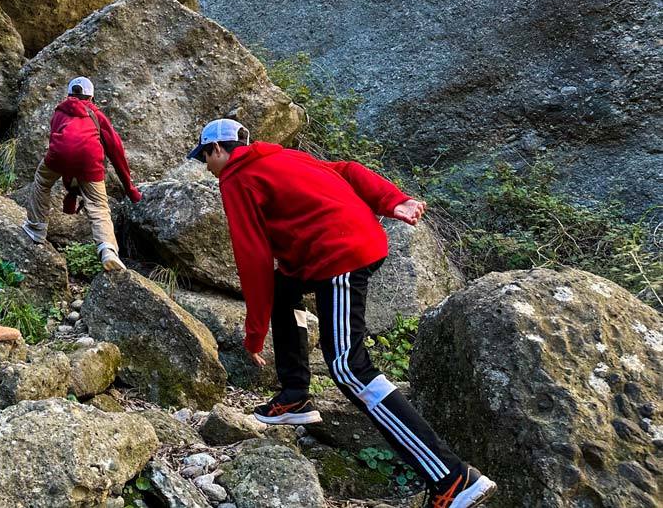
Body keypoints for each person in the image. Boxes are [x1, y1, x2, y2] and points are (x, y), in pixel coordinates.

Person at [189, 118, 497, 508]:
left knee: (349, 368)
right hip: (350, 243)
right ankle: (296, 395)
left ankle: (452, 478)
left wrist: (255, 332)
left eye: (204, 157)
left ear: (218, 149)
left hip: (337, 256)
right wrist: (392, 199)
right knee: (285, 289)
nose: (206, 165)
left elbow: (252, 256)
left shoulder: (235, 178)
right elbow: (348, 170)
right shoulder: (285, 158)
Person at [23, 76, 142, 271]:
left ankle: (36, 229)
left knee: (42, 181)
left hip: (58, 157)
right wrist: (130, 188)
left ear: (69, 95)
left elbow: (63, 149)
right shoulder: (97, 115)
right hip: (90, 160)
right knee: (98, 206)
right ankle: (108, 250)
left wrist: (71, 187)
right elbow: (116, 151)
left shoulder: (59, 112)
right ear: (91, 98)